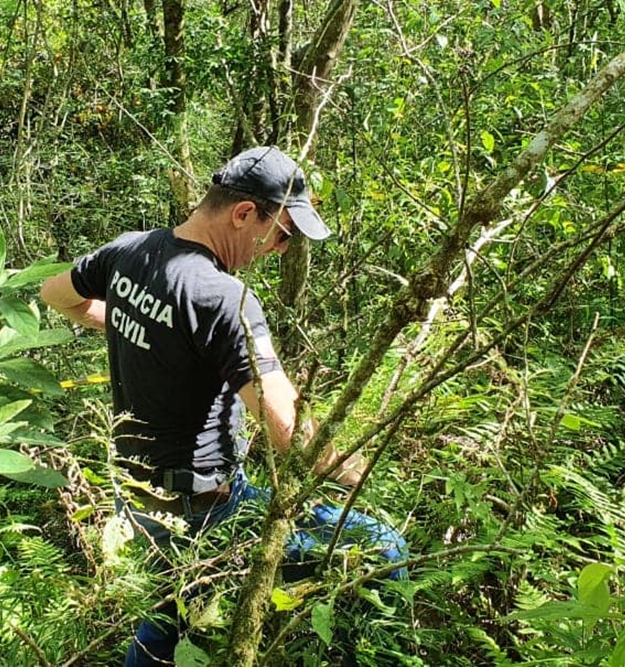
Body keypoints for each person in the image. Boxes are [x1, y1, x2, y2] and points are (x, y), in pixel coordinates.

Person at [41, 146, 406, 666]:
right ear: (243, 214)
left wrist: (134, 324)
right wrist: (356, 471)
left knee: (174, 613)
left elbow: (55, 293)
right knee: (382, 551)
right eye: (283, 233)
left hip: (140, 495)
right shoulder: (222, 297)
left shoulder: (128, 250)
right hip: (204, 505)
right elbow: (286, 427)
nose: (281, 249)